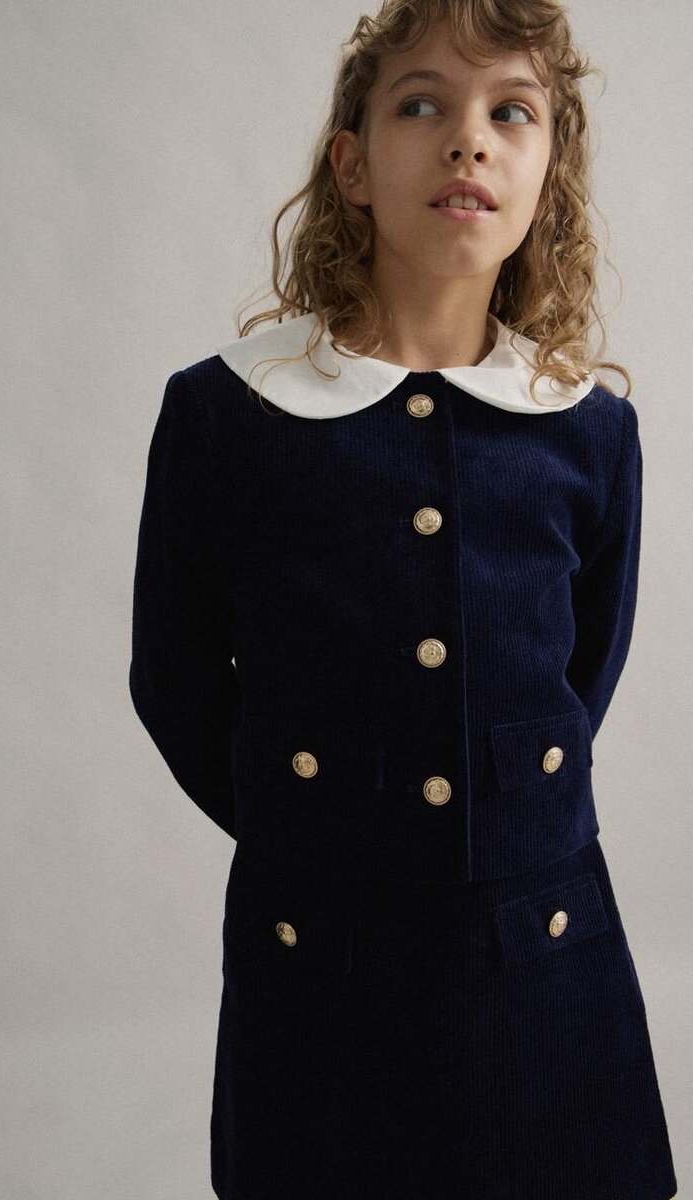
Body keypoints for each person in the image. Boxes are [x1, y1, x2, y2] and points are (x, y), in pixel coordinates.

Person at [128, 2, 679, 1197]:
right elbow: (175, 681)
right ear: (350, 165)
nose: (466, 138)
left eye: (510, 112)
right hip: (316, 953)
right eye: (420, 103)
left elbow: (580, 676)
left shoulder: (589, 432)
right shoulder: (226, 416)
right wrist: (313, 823)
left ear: (547, 174)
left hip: (542, 954)